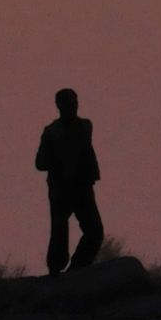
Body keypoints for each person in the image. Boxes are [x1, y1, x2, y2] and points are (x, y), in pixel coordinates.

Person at [36, 88, 105, 276]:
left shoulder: (84, 126)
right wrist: (60, 164)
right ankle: (57, 271)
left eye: (75, 102)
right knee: (60, 232)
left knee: (94, 231)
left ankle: (76, 270)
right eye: (69, 103)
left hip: (81, 188)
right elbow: (40, 163)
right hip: (62, 189)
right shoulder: (52, 132)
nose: (73, 106)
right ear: (59, 106)